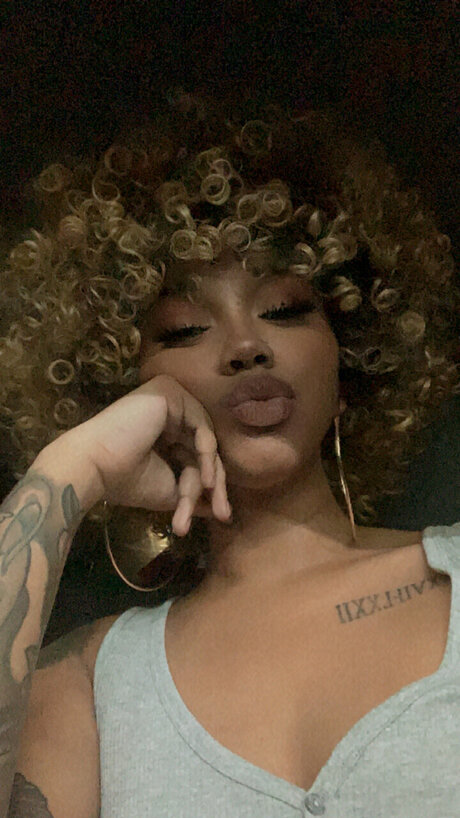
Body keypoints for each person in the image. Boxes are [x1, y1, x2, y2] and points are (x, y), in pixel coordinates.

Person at [0, 90, 459, 817]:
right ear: (117, 389)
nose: (247, 345)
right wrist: (70, 472)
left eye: (284, 309)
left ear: (350, 367)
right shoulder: (88, 685)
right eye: (186, 329)